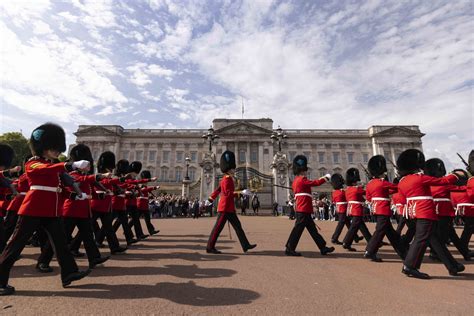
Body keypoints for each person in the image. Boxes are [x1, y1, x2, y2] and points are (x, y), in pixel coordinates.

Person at [0, 123, 90, 295]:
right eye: (53, 148)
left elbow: (57, 189)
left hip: (51, 210)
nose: (57, 151)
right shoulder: (33, 164)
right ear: (43, 147)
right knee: (14, 246)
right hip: (33, 209)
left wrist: (74, 196)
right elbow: (47, 169)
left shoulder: (50, 165)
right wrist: (70, 165)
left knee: (61, 243)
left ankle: (69, 272)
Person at [397, 149, 464, 279]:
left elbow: (402, 198)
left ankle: (452, 265)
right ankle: (410, 266)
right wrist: (456, 174)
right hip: (425, 212)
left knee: (435, 241)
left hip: (415, 212)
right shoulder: (419, 178)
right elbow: (442, 182)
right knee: (420, 240)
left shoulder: (403, 181)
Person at [206, 151, 256, 254]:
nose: (234, 170)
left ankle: (245, 245)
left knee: (238, 227)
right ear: (229, 169)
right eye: (233, 168)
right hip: (225, 208)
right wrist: (241, 193)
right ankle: (210, 247)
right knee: (217, 228)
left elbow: (218, 190)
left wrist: (211, 199)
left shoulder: (226, 179)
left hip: (229, 208)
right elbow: (228, 194)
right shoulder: (227, 179)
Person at [285, 155, 334, 257]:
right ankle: (290, 248)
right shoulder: (302, 179)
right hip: (303, 209)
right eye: (304, 170)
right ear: (302, 170)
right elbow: (315, 183)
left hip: (304, 208)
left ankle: (323, 247)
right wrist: (325, 178)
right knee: (297, 230)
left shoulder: (296, 181)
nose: (306, 172)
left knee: (313, 230)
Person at [425, 159, 471, 261]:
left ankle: (465, 252)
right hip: (443, 212)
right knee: (442, 235)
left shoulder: (428, 184)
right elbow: (460, 188)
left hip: (434, 211)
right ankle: (435, 253)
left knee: (451, 234)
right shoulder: (443, 184)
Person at [364, 155, 406, 262]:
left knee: (391, 234)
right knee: (380, 230)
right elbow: (397, 188)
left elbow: (369, 197)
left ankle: (403, 253)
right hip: (383, 209)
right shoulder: (382, 183)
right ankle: (370, 250)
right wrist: (403, 179)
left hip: (375, 209)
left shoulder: (370, 184)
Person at [90, 151, 127, 254]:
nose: (111, 169)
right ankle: (74, 246)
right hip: (97, 203)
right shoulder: (99, 176)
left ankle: (114, 247)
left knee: (108, 227)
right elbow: (106, 182)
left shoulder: (107, 176)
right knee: (87, 226)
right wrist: (120, 179)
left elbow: (112, 186)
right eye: (110, 167)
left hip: (106, 205)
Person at [342, 168, 372, 251]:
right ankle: (346, 242)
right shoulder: (357, 189)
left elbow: (359, 197)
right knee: (354, 227)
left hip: (351, 209)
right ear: (354, 181)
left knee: (362, 226)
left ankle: (371, 240)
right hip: (356, 209)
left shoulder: (347, 190)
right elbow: (367, 192)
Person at [137, 170, 159, 235]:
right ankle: (128, 229)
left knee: (147, 219)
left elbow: (147, 190)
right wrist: (154, 187)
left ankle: (151, 230)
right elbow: (145, 190)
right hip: (140, 204)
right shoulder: (140, 185)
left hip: (145, 204)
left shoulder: (144, 185)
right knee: (134, 220)